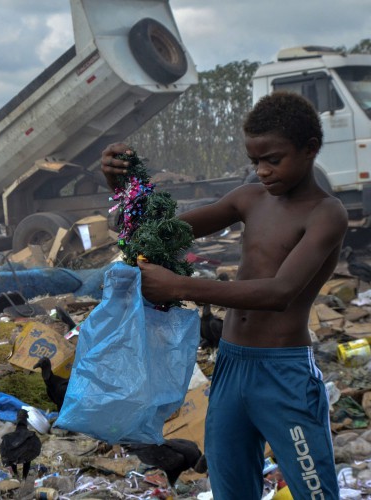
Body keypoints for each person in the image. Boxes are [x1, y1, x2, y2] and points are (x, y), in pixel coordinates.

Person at [101, 91, 347, 500]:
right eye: (255, 161)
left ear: (310, 149)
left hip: (283, 373)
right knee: (231, 488)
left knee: (313, 491)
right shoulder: (249, 199)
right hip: (232, 365)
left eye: (274, 159)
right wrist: (121, 184)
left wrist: (179, 286)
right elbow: (157, 234)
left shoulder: (325, 213)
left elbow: (279, 293)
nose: (263, 171)